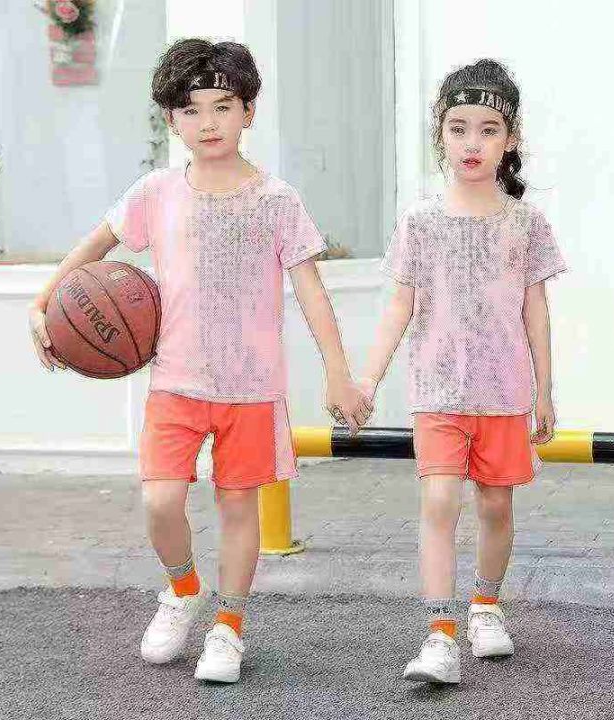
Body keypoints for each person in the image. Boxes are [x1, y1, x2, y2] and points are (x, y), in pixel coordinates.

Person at [28, 37, 372, 684]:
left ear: (249, 111)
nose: (208, 122)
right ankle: (183, 588)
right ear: (171, 120)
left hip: (251, 387)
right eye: (191, 110)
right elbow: (95, 247)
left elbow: (311, 292)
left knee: (239, 508)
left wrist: (337, 371)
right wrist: (44, 302)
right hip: (176, 382)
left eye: (222, 106)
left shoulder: (277, 200)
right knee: (160, 501)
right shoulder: (156, 192)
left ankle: (229, 626)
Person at [358, 59, 567, 684]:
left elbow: (536, 311)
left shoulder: (525, 223)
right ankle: (439, 634)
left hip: (504, 393)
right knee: (440, 498)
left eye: (488, 129)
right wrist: (367, 379)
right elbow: (400, 305)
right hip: (438, 390)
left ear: (511, 138)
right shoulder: (420, 221)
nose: (472, 142)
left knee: (496, 507)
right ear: (440, 135)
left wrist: (545, 393)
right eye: (458, 128)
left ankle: (485, 607)